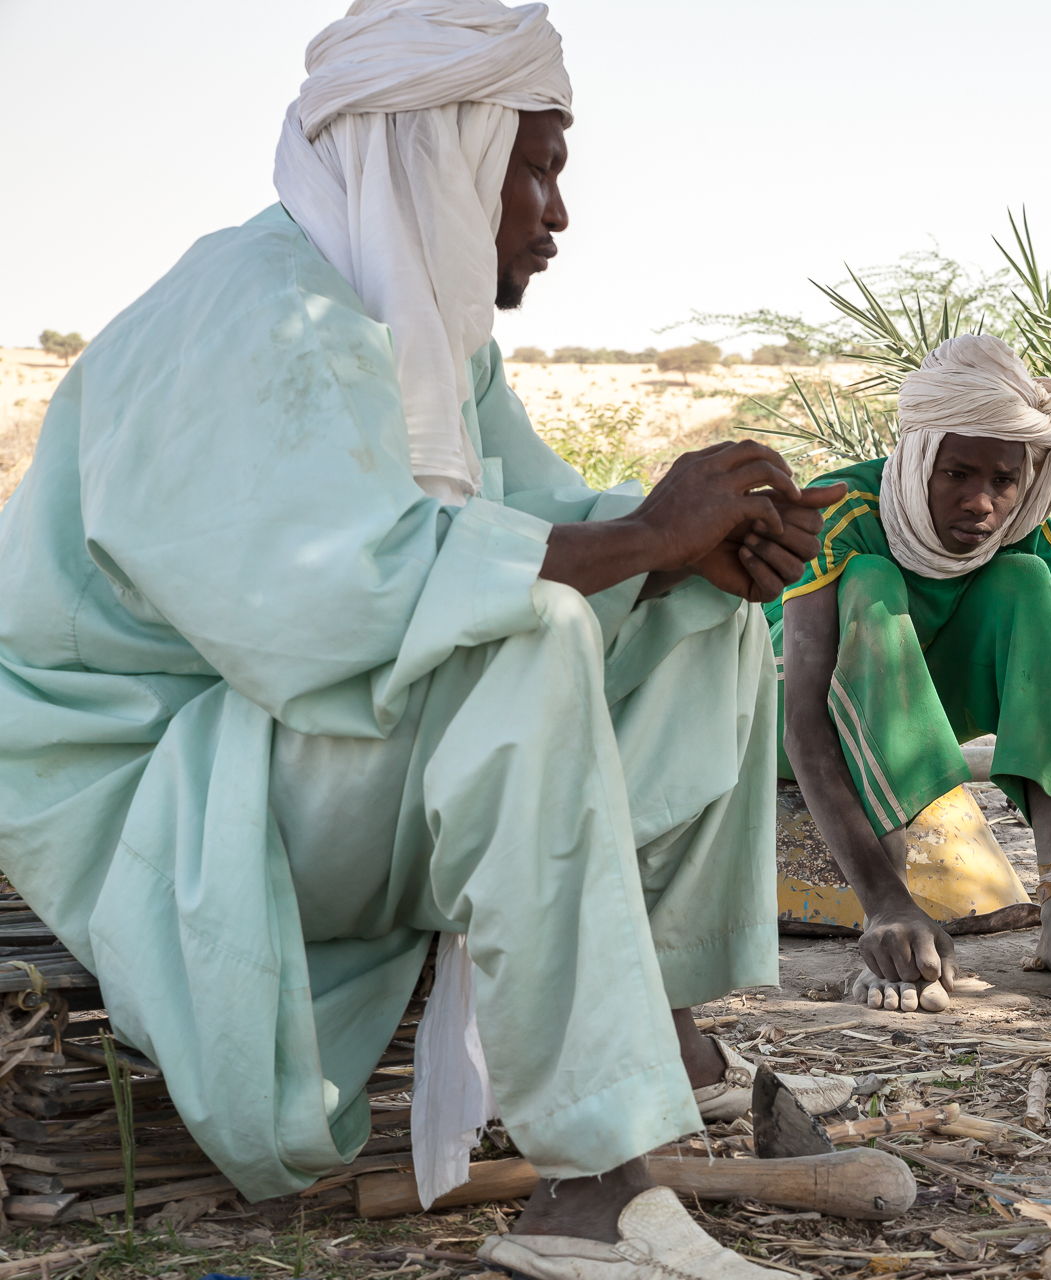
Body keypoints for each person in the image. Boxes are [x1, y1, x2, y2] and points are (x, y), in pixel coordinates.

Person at [0, 3, 847, 1275]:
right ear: (444, 150)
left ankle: (653, 1031)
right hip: (157, 786)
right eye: (539, 165)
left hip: (299, 758)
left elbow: (532, 512)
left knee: (697, 612)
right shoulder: (248, 316)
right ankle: (589, 1185)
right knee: (535, 632)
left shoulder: (436, 340)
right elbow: (331, 600)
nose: (555, 213)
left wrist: (695, 541)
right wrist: (641, 539)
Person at [768, 335, 1051, 1014]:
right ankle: (889, 919)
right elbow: (803, 716)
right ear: (919, 459)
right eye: (957, 475)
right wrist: (888, 904)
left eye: (1004, 481)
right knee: (871, 581)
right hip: (781, 718)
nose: (982, 502)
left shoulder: (1030, 539)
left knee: (1026, 580)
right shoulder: (844, 510)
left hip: (927, 716)